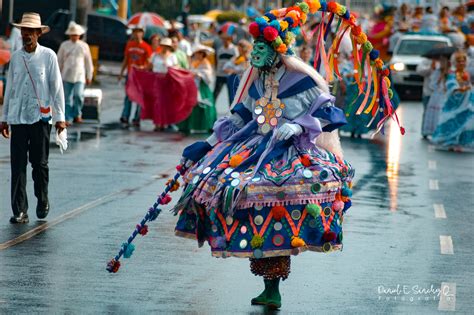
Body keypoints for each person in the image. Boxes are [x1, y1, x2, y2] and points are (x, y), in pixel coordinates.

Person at [171, 1, 400, 309]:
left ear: (278, 51)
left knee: (277, 196)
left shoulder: (302, 81)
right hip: (253, 147)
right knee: (217, 186)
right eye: (255, 47)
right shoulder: (252, 80)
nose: (255, 53)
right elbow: (239, 115)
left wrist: (299, 126)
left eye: (262, 47)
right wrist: (210, 141)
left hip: (292, 152)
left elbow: (330, 114)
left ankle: (273, 284)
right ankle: (266, 275)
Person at [0, 12, 66, 224]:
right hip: (18, 118)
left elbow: (57, 89)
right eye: (24, 31)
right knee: (18, 166)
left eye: (31, 31)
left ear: (39, 33)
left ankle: (42, 198)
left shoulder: (49, 56)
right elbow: (9, 89)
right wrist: (4, 118)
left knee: (40, 164)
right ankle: (19, 210)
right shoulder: (16, 58)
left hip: (40, 119)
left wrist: (60, 118)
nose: (27, 34)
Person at [431, 50, 474, 151]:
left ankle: (461, 143)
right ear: (455, 63)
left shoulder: (466, 74)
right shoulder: (452, 74)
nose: (462, 63)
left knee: (465, 123)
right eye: (459, 61)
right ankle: (450, 141)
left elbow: (468, 85)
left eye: (463, 61)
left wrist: (468, 89)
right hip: (454, 104)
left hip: (466, 103)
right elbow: (450, 85)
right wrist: (459, 89)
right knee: (451, 122)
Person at [57, 21, 93, 125]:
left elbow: (88, 62)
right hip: (66, 75)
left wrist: (89, 75)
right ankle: (67, 118)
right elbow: (59, 61)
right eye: (72, 35)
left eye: (76, 35)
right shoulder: (64, 45)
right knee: (67, 98)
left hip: (80, 75)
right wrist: (57, 74)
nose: (74, 37)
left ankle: (77, 114)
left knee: (78, 95)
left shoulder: (84, 46)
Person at [178, 44, 216, 133]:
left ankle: (207, 125)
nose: (196, 55)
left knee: (203, 104)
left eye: (198, 53)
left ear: (202, 54)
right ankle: (189, 125)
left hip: (202, 86)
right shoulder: (194, 62)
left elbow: (208, 74)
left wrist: (199, 74)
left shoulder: (205, 62)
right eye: (196, 53)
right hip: (193, 86)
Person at [118, 25, 152, 128]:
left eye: (139, 32)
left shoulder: (146, 47)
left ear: (142, 33)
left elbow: (149, 63)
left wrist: (143, 67)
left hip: (141, 75)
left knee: (139, 97)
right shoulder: (129, 44)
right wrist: (121, 73)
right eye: (135, 32)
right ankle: (125, 115)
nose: (137, 34)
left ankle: (137, 117)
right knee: (128, 95)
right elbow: (126, 59)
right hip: (130, 73)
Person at [149, 37, 179, 131]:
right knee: (157, 102)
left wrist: (171, 68)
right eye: (163, 46)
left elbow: (177, 68)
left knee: (166, 102)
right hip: (157, 80)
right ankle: (158, 123)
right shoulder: (155, 55)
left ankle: (165, 122)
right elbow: (149, 67)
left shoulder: (172, 56)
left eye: (167, 46)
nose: (165, 48)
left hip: (168, 80)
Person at [420, 56, 450, 139]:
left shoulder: (448, 71)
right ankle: (427, 131)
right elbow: (432, 84)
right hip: (433, 95)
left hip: (443, 96)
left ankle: (440, 131)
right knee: (431, 113)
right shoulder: (431, 65)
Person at [214, 27, 238, 106]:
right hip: (220, 74)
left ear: (230, 40)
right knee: (215, 93)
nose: (224, 41)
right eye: (223, 39)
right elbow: (217, 60)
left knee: (231, 94)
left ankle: (231, 110)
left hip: (229, 75)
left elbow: (237, 61)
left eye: (226, 39)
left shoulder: (234, 49)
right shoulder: (220, 49)